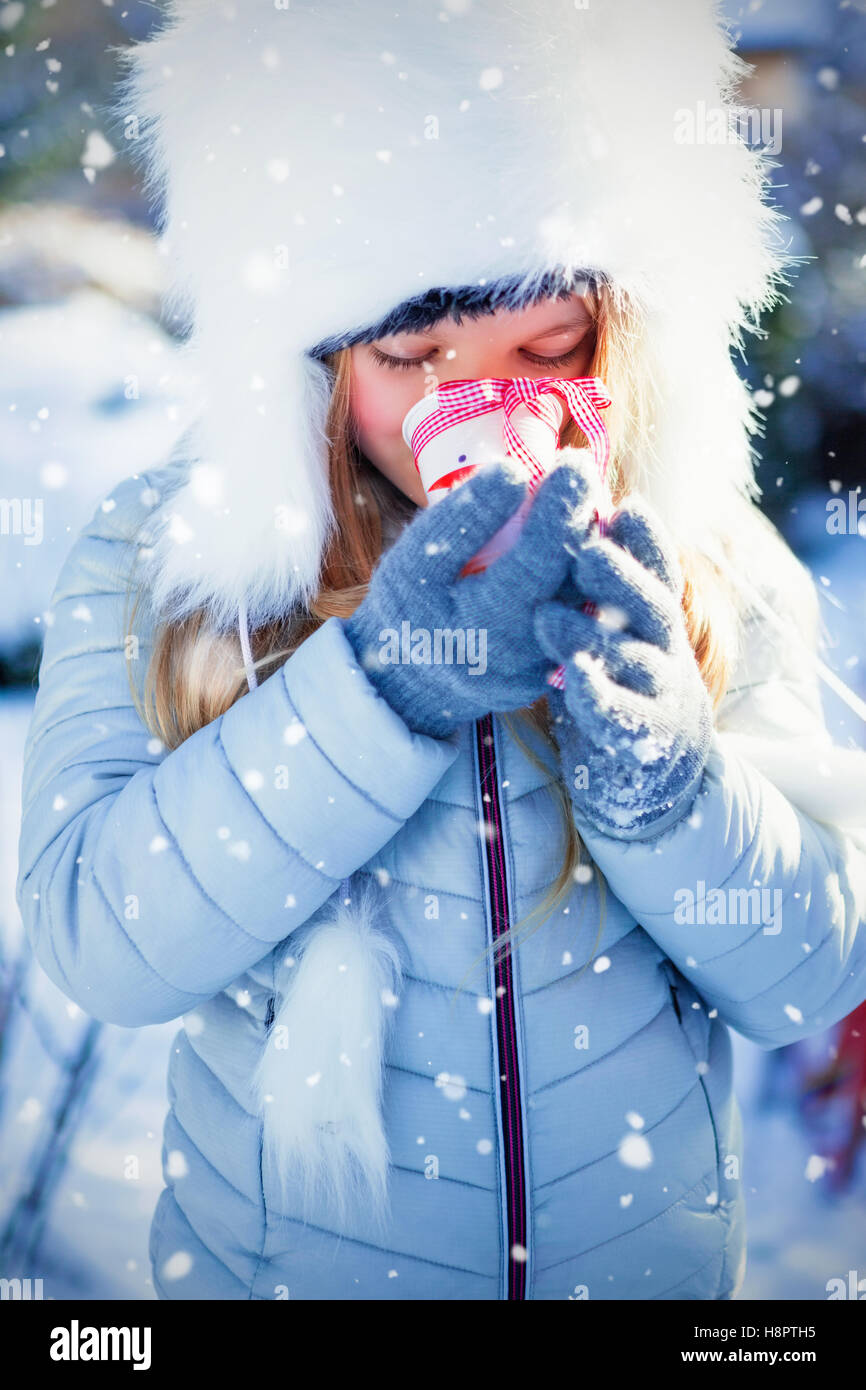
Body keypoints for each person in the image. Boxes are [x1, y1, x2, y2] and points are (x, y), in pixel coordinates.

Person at [16, 0, 866, 1300]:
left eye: (550, 348)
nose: (476, 408)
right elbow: (101, 945)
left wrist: (664, 782)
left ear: (625, 338)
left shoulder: (698, 555)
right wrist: (378, 690)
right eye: (412, 353)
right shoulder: (179, 557)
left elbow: (804, 974)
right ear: (300, 361)